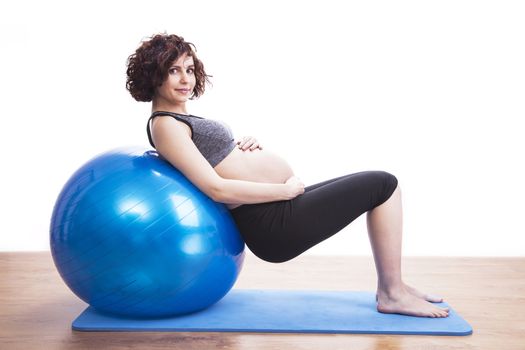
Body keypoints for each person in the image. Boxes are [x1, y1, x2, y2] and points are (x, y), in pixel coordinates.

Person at [126, 33, 449, 318]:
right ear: (154, 76)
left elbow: (213, 161)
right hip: (271, 223)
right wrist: (284, 191)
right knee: (383, 184)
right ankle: (391, 293)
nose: (185, 79)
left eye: (189, 69)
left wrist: (235, 147)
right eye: (173, 70)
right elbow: (217, 189)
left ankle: (396, 285)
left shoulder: (179, 119)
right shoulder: (165, 123)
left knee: (381, 185)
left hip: (275, 210)